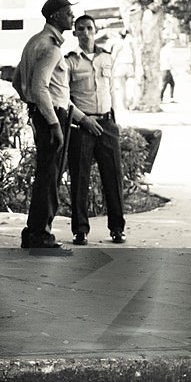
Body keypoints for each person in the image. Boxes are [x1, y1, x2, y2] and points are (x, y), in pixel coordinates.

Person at [12, 0, 102, 253]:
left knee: (45, 176)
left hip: (45, 114)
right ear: (55, 17)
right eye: (68, 13)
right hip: (53, 118)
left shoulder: (34, 42)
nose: (73, 18)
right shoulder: (50, 48)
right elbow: (40, 88)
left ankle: (33, 232)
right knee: (50, 179)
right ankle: (42, 236)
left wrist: (35, 106)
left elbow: (19, 82)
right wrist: (52, 122)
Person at [65, 15, 126, 245]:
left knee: (113, 178)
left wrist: (115, 121)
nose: (85, 32)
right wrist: (82, 120)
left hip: (107, 124)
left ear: (95, 30)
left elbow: (111, 91)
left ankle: (117, 229)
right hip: (82, 126)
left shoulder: (107, 58)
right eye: (80, 29)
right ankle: (80, 230)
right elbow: (64, 97)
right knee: (80, 179)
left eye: (89, 28)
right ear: (75, 33)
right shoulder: (69, 62)